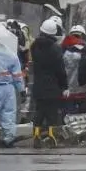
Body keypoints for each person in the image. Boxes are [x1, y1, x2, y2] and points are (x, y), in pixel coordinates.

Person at [31, 17, 67, 147]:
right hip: (52, 86)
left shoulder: (34, 47)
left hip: (38, 86)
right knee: (51, 112)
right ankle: (51, 135)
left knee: (39, 111)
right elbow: (60, 70)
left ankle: (36, 133)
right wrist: (64, 86)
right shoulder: (55, 49)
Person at [0, 44, 22, 147]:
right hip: (9, 88)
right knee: (9, 113)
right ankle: (9, 138)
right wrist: (21, 89)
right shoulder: (11, 55)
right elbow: (17, 75)